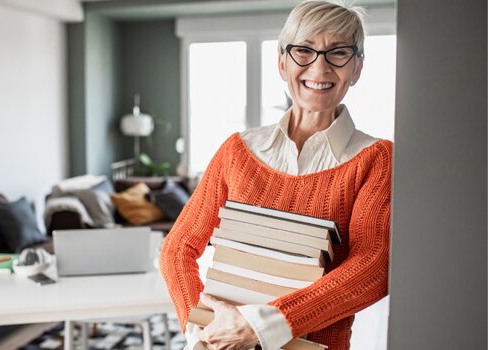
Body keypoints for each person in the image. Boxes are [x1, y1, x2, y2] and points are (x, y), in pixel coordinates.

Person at [160, 1, 392, 350]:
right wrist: (203, 329)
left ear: (357, 68)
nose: (320, 67)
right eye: (304, 51)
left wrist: (260, 326)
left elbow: (372, 268)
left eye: (338, 53)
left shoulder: (374, 159)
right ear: (282, 63)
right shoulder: (237, 151)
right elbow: (178, 247)